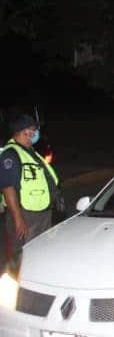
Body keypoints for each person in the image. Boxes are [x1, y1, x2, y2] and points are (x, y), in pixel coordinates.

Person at [0, 114, 60, 271]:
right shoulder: (11, 155)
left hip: (41, 213)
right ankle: (17, 285)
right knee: (23, 256)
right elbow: (8, 188)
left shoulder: (29, 151)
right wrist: (18, 219)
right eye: (31, 130)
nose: (34, 134)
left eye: (34, 130)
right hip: (25, 214)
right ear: (20, 131)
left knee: (39, 253)